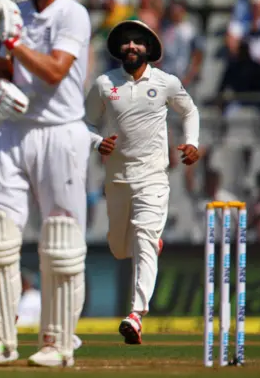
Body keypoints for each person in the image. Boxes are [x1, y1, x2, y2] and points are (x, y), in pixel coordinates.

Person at [0, 0, 91, 368]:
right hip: (15, 131)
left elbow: (57, 71)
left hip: (61, 133)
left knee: (60, 240)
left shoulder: (72, 15)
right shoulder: (18, 15)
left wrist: (16, 42)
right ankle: (0, 339)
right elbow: (3, 70)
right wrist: (0, 89)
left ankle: (58, 343)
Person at [84, 20, 200, 344]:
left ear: (149, 49)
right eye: (126, 42)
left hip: (153, 176)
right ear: (119, 49)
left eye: (138, 42)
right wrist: (96, 142)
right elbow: (85, 122)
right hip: (118, 179)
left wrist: (192, 142)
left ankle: (136, 315)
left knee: (144, 238)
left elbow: (189, 111)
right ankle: (147, 243)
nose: (132, 47)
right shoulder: (105, 84)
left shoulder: (165, 82)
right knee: (120, 248)